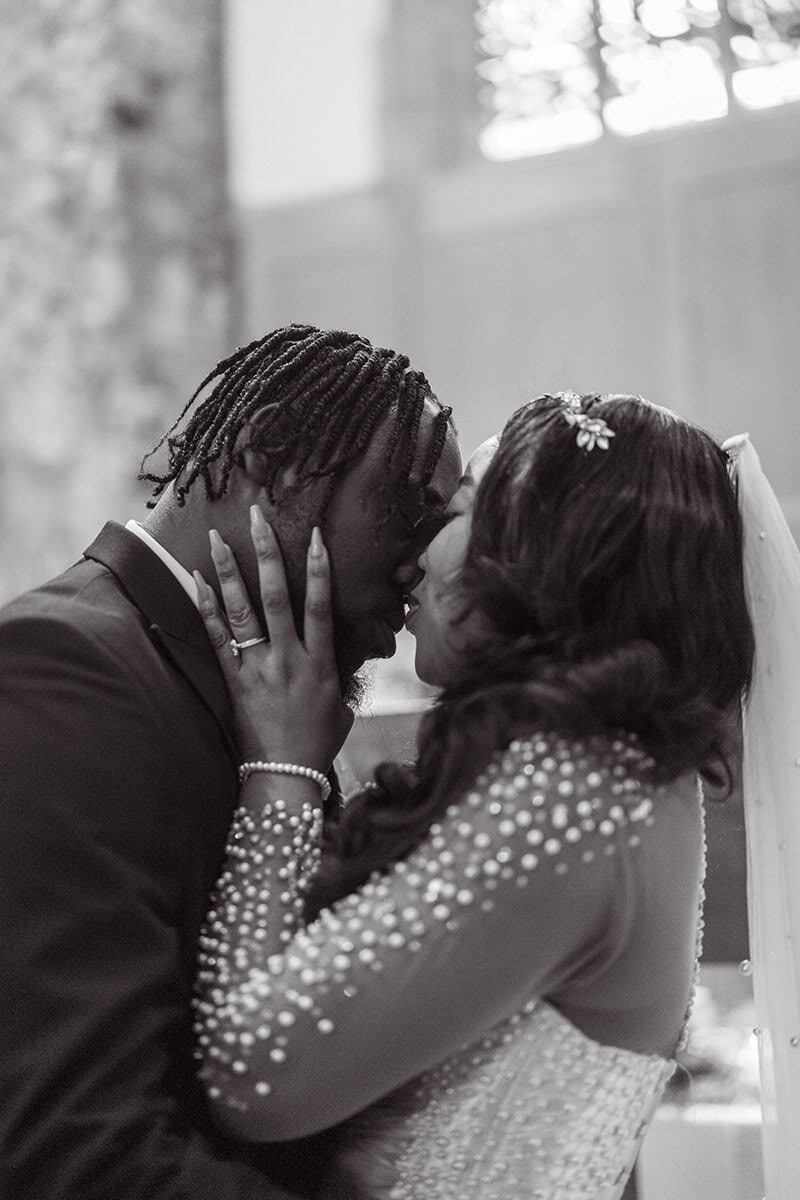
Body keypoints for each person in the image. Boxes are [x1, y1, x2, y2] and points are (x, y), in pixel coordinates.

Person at [192, 391, 755, 1200]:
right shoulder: (617, 770)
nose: (416, 556)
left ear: (545, 556)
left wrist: (280, 769)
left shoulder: (578, 797)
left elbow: (252, 1072)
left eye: (452, 514)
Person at [0, 324, 461, 1200]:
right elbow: (78, 1152)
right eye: (406, 509)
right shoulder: (62, 672)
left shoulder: (285, 694)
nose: (421, 559)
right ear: (276, 457)